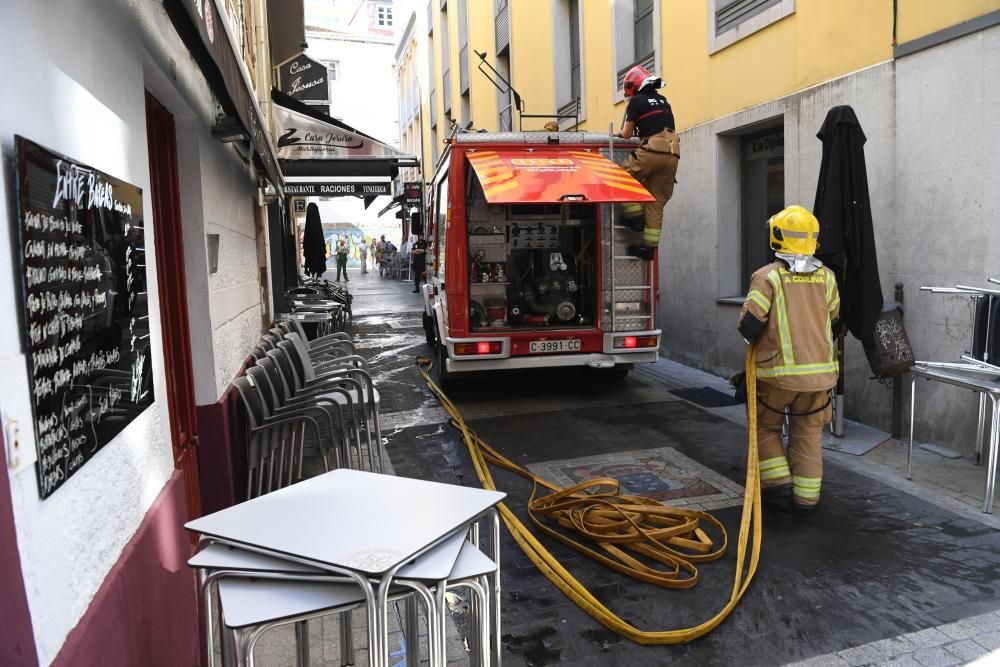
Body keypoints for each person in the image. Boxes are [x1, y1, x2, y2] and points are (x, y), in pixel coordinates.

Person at [738, 205, 840, 516]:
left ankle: (777, 481)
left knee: (765, 426)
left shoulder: (767, 277)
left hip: (777, 375)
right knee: (808, 433)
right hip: (821, 377)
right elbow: (834, 319)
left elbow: (749, 325)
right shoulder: (828, 278)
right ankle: (807, 499)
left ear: (776, 238)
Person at [617, 65, 680, 262]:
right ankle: (648, 248)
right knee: (656, 201)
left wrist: (618, 134)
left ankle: (634, 218)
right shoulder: (664, 101)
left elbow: (627, 134)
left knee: (620, 177)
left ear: (633, 86)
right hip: (672, 155)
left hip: (652, 150)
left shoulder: (636, 101)